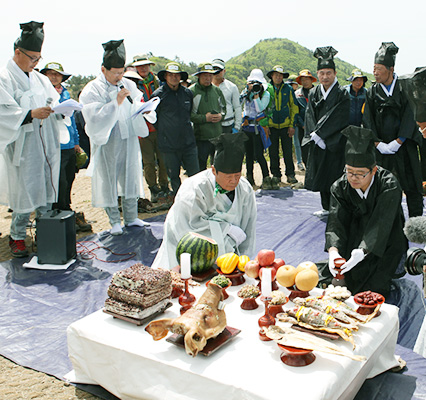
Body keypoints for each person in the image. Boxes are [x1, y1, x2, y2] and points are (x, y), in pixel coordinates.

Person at [0, 21, 63, 257]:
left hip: (45, 140)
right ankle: (17, 236)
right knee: (24, 191)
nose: (36, 63)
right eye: (33, 58)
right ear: (18, 53)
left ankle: (45, 233)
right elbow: (3, 111)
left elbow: (52, 101)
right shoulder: (4, 78)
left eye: (38, 59)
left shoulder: (40, 79)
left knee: (46, 186)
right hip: (22, 145)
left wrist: (59, 108)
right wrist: (29, 114)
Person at [151, 133, 256, 269]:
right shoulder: (194, 188)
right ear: (213, 171)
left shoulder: (244, 189)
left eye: (237, 175)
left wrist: (244, 262)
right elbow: (188, 226)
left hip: (230, 249)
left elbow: (249, 225)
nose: (234, 181)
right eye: (228, 176)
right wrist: (226, 229)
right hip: (188, 249)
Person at [325, 125, 407, 297]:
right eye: (349, 172)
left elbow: (382, 223)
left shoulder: (389, 185)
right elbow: (336, 222)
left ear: (374, 170)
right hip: (354, 242)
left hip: (385, 243)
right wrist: (334, 251)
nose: (353, 178)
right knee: (337, 283)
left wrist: (363, 250)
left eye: (360, 173)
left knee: (375, 289)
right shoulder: (340, 186)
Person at [79, 39, 151, 236]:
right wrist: (114, 104)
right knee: (109, 180)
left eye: (122, 72)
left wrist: (142, 110)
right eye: (115, 73)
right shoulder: (92, 89)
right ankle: (113, 220)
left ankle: (131, 217)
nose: (119, 77)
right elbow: (92, 117)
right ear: (103, 69)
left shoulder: (127, 83)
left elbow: (137, 101)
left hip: (128, 137)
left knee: (131, 176)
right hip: (108, 141)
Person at [363, 42, 423, 217]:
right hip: (382, 149)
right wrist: (377, 143)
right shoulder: (372, 92)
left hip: (404, 147)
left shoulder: (406, 87)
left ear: (391, 68)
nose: (375, 72)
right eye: (373, 68)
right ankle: (391, 227)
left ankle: (416, 224)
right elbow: (367, 119)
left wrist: (399, 141)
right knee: (385, 189)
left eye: (378, 68)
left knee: (412, 187)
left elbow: (411, 114)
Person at [40, 62, 92, 233]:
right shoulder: (41, 94)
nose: (54, 77)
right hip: (53, 146)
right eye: (50, 74)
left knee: (69, 178)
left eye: (57, 74)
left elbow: (71, 122)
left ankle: (67, 209)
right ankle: (60, 212)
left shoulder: (66, 94)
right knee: (58, 181)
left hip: (69, 144)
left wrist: (76, 142)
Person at [304, 46, 350, 216]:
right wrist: (314, 136)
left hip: (335, 141)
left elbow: (339, 116)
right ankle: (325, 207)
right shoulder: (315, 91)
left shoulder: (342, 93)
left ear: (335, 73)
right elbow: (309, 114)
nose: (325, 76)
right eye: (322, 73)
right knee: (321, 174)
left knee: (335, 175)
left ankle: (338, 208)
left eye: (328, 73)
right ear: (318, 74)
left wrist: (322, 135)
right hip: (318, 141)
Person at [152, 62, 200, 195]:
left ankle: (197, 201)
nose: (174, 78)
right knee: (174, 178)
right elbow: (154, 119)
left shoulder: (187, 93)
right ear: (166, 76)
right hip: (169, 145)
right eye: (170, 75)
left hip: (188, 143)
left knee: (195, 176)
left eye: (176, 75)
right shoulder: (158, 95)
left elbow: (189, 113)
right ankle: (181, 203)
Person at [131, 54, 169, 202]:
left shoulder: (158, 82)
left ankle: (165, 186)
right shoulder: (131, 84)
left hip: (159, 127)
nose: (143, 68)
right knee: (148, 162)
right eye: (140, 66)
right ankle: (153, 189)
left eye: (145, 65)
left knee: (163, 159)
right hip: (142, 129)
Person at [266, 65, 299, 186]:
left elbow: (294, 107)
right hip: (271, 126)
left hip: (286, 125)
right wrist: (266, 125)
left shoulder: (288, 89)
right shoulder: (267, 89)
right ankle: (276, 175)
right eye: (276, 75)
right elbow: (263, 108)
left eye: (280, 75)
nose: (278, 77)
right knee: (273, 152)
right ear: (272, 76)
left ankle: (290, 174)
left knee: (287, 152)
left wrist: (292, 125)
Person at [190, 62, 226, 170]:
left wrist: (221, 116)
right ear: (198, 76)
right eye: (205, 75)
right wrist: (204, 118)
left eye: (210, 75)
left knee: (218, 165)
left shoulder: (217, 91)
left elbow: (224, 109)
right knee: (201, 166)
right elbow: (189, 115)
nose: (208, 78)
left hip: (217, 135)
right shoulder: (192, 92)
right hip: (201, 137)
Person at [240, 69, 272, 189]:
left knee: (259, 154)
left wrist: (256, 96)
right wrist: (246, 93)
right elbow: (238, 103)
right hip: (247, 127)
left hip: (258, 128)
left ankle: (266, 177)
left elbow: (259, 109)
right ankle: (250, 179)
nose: (255, 85)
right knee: (248, 155)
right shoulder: (246, 92)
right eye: (253, 83)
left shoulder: (266, 94)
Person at [211, 58, 242, 134]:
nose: (217, 72)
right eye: (214, 69)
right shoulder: (206, 87)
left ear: (224, 71)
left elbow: (237, 107)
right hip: (211, 125)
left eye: (219, 70)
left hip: (227, 125)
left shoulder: (232, 87)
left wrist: (237, 126)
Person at [295, 69, 317, 169]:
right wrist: (302, 124)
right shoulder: (297, 94)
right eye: (303, 80)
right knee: (304, 151)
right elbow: (295, 112)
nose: (305, 81)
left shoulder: (319, 92)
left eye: (307, 79)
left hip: (317, 128)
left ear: (311, 80)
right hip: (302, 128)